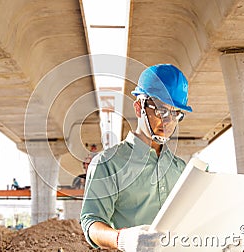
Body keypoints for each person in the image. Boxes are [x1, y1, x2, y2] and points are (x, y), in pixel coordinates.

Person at [80, 64, 192, 251]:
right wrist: (122, 238)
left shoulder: (180, 168)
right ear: (139, 107)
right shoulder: (108, 164)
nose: (168, 121)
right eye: (161, 110)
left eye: (175, 114)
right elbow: (91, 222)